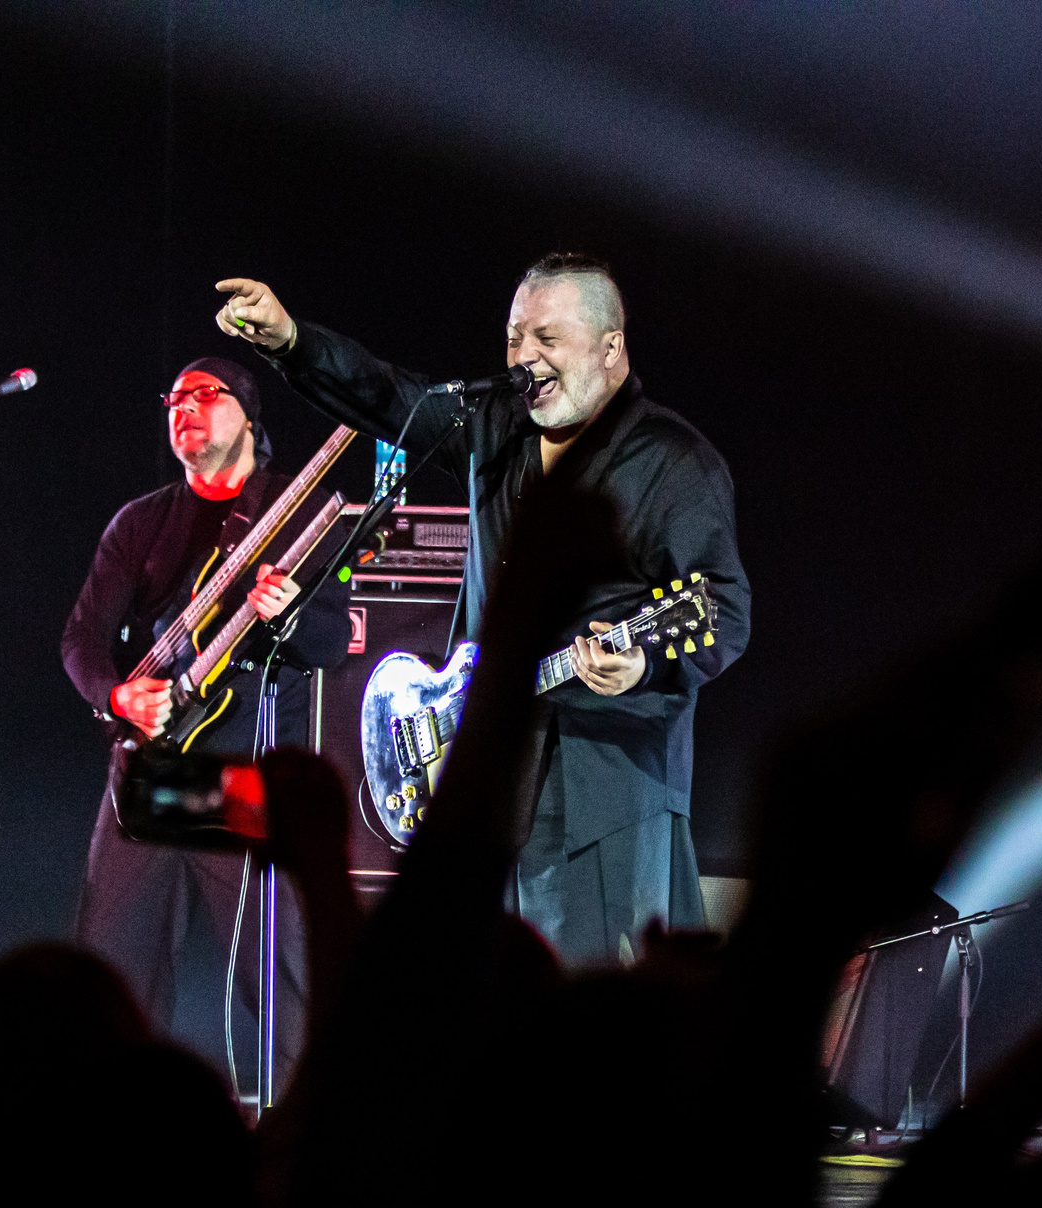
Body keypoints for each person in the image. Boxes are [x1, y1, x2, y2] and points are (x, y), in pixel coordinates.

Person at [214, 254, 751, 965]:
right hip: (491, 782)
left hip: (601, 784)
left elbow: (725, 608)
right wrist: (291, 342)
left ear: (611, 346)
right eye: (513, 339)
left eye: (547, 340)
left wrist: (643, 660)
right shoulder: (499, 426)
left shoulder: (675, 463)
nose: (525, 358)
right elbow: (388, 397)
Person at [60, 356, 351, 1092]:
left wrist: (288, 613)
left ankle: (308, 1142)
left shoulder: (293, 510)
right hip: (151, 774)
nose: (182, 408)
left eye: (203, 394)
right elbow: (81, 642)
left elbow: (330, 639)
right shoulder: (140, 522)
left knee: (278, 984)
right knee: (108, 972)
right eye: (173, 398)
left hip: (237, 777)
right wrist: (119, 698)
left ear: (249, 416)